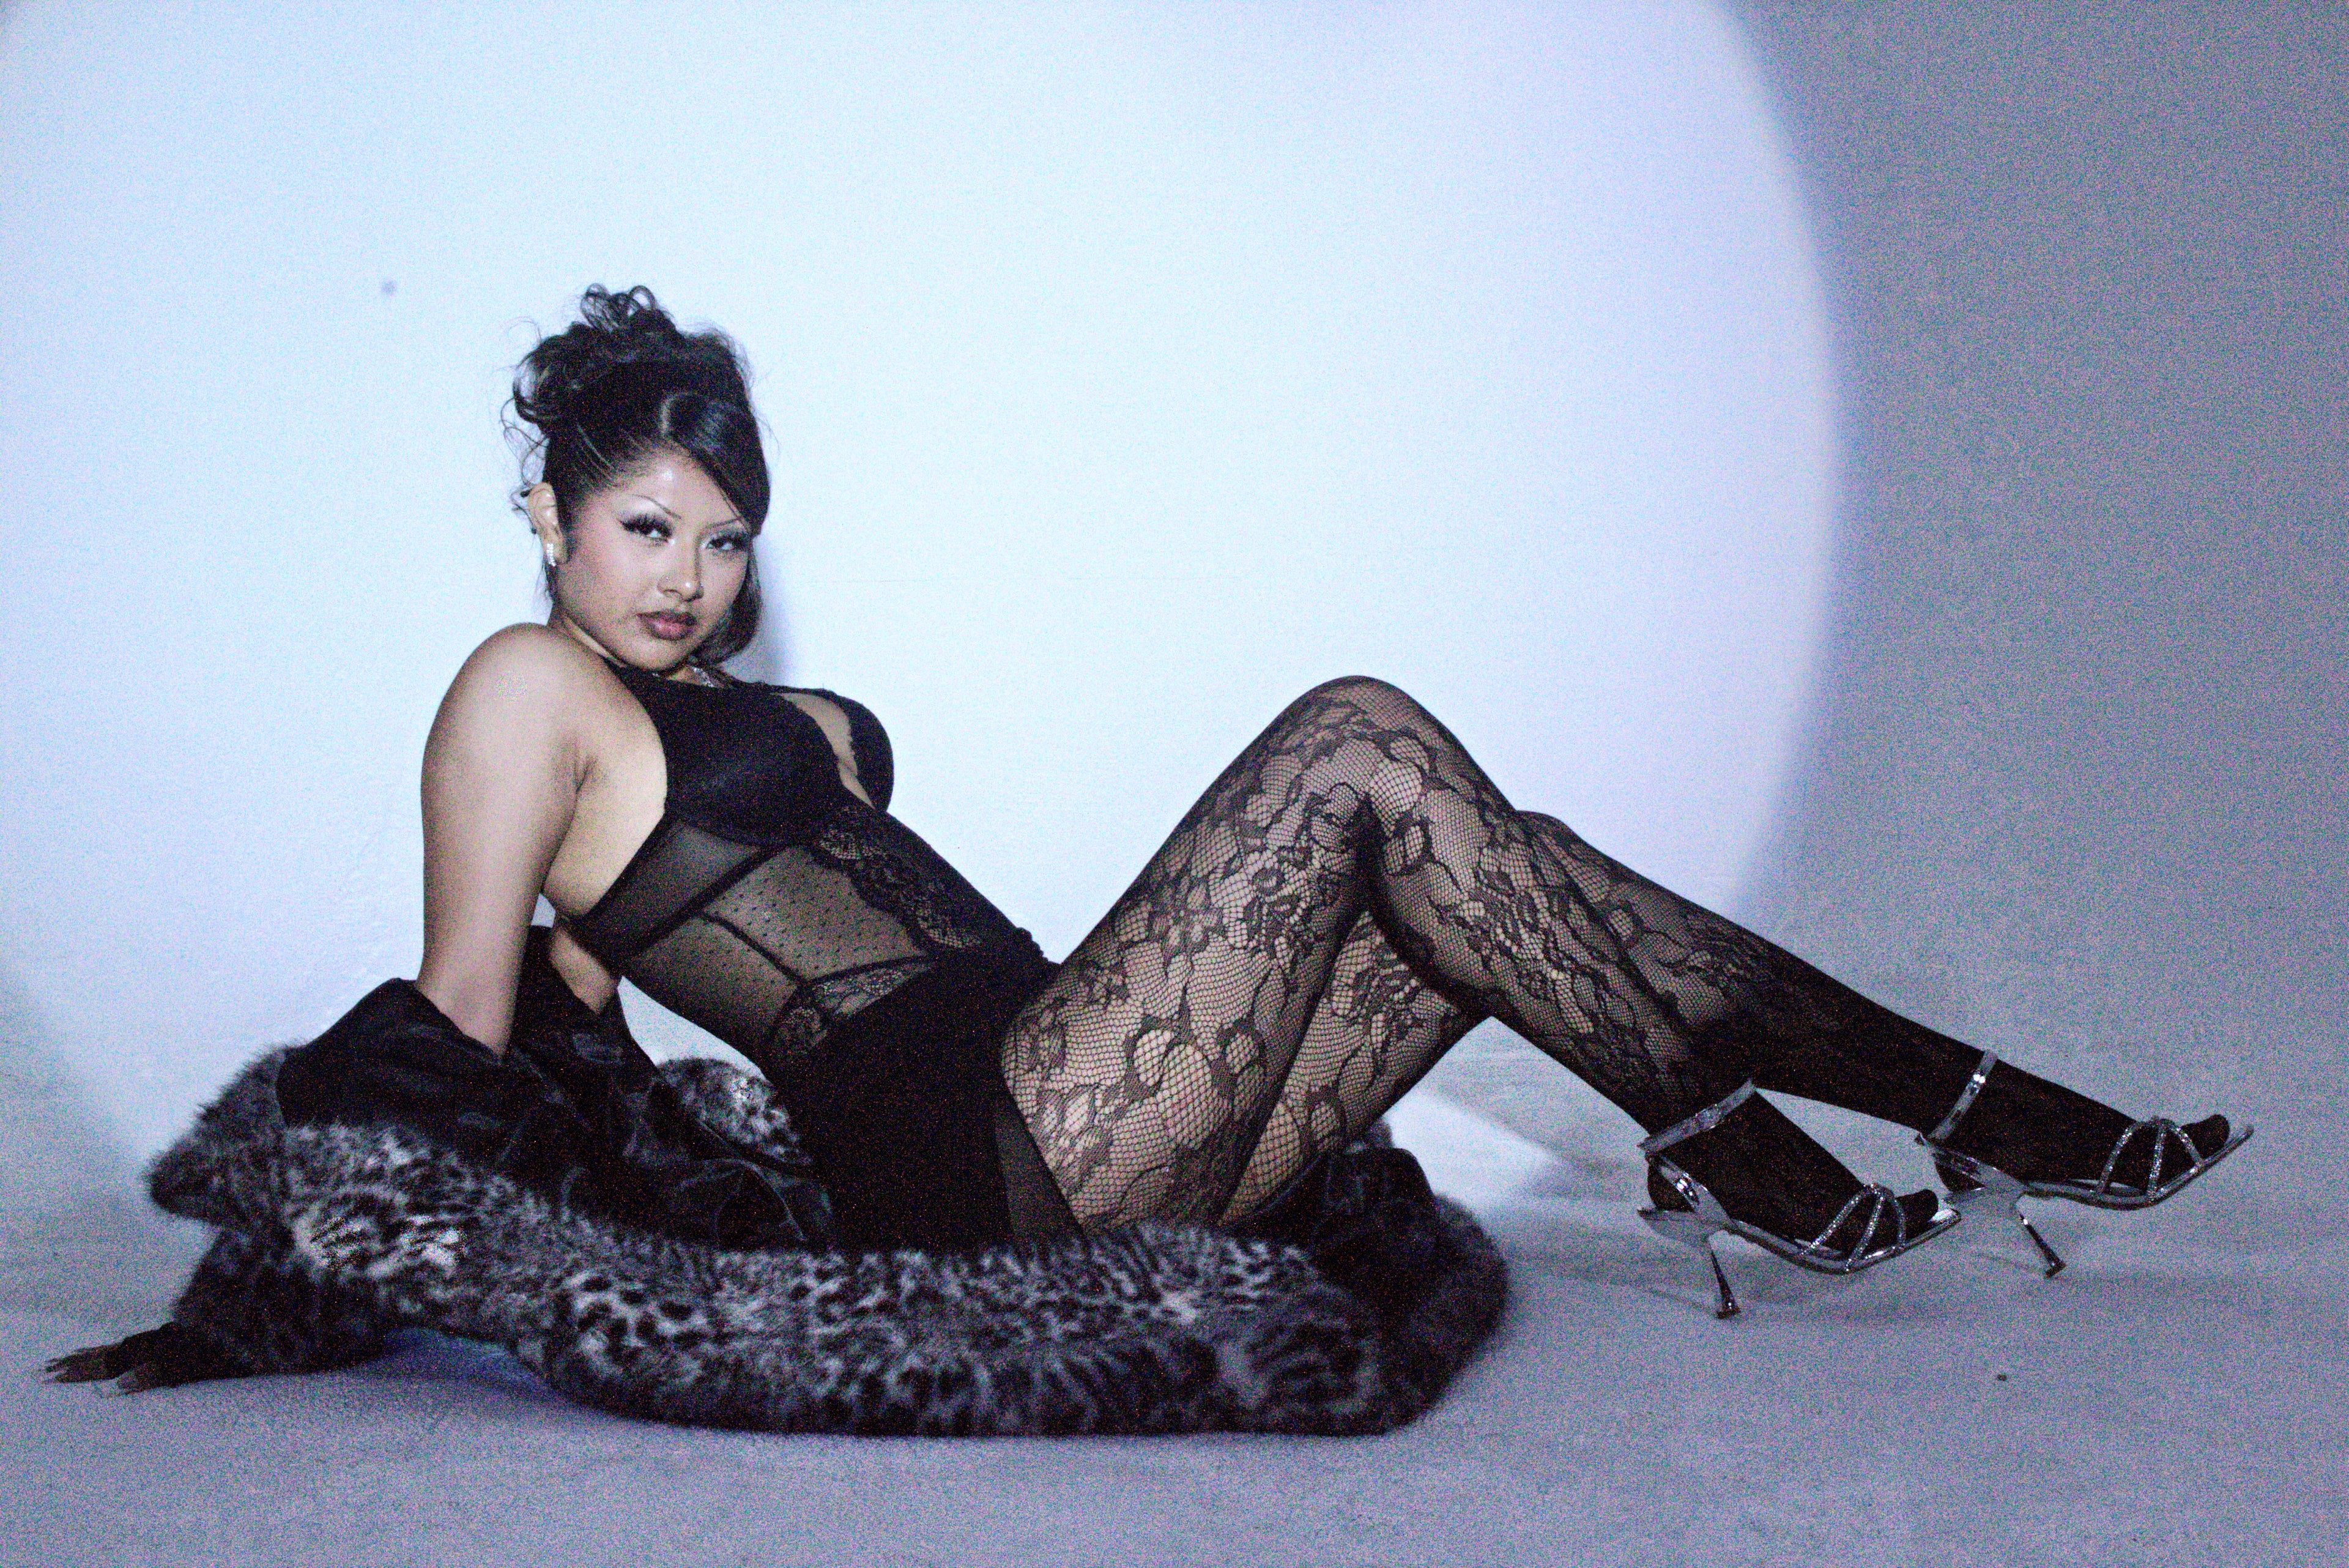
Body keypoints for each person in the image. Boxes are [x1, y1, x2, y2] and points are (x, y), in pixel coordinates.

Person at [89, 286, 2260, 1339]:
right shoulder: (520, 688)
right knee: (1359, 738)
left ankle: (1963, 1105)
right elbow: (475, 1019)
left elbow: (615, 958)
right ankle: (1765, 1129)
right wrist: (282, 1270)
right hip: (979, 1158)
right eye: (646, 525)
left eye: (726, 537)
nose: (689, 576)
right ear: (548, 514)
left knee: (1500, 871)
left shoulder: (714, 701)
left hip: (1101, 1099)